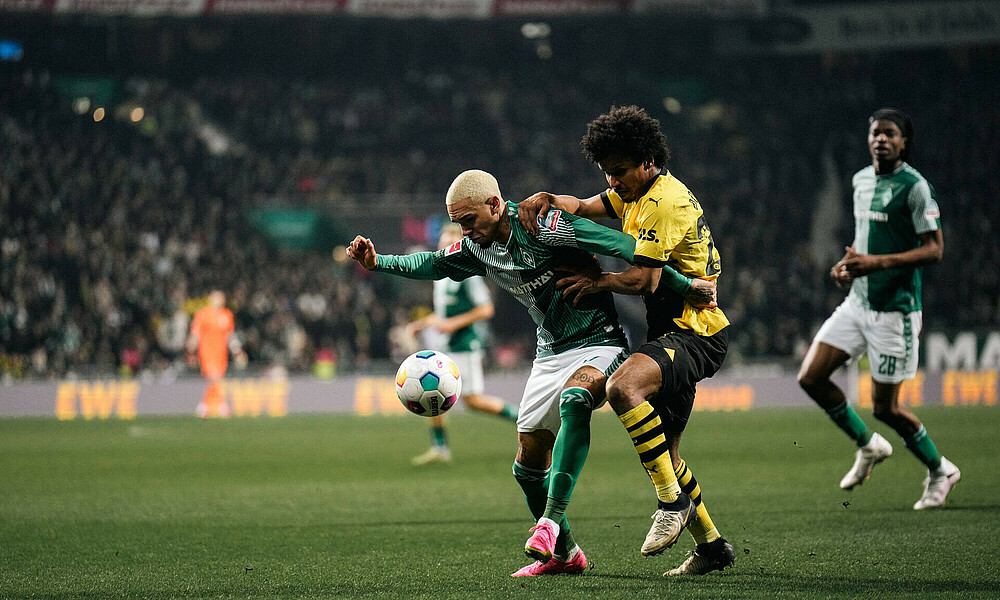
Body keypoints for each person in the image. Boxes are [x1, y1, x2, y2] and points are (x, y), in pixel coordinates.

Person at [349, 169, 686, 577]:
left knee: (575, 400)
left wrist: (686, 285)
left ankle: (548, 522)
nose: (464, 231)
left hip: (600, 343)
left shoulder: (543, 223)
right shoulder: (477, 248)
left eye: (468, 220)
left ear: (494, 204)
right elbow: (433, 263)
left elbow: (627, 246)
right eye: (458, 223)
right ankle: (565, 554)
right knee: (527, 466)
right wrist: (378, 261)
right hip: (550, 353)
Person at [518, 105, 734, 576]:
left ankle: (670, 505)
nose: (612, 183)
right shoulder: (635, 192)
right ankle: (713, 547)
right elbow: (586, 206)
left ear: (648, 162)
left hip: (694, 332)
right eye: (607, 173)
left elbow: (644, 280)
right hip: (672, 331)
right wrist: (548, 198)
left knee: (621, 388)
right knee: (668, 454)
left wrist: (598, 283)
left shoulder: (663, 201)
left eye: (618, 172)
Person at [797, 108, 959, 510]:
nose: (881, 139)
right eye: (875, 133)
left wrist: (877, 264)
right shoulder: (860, 180)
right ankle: (868, 445)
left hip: (895, 312)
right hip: (859, 301)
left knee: (885, 407)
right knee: (811, 377)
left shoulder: (916, 187)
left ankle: (941, 470)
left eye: (890, 134)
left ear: (904, 142)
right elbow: (866, 238)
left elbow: (935, 249)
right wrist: (848, 265)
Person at [406, 223, 518, 465]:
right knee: (431, 392)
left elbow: (486, 309)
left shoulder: (467, 275)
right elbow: (443, 316)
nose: (444, 245)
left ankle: (524, 418)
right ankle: (440, 447)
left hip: (465, 344)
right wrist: (423, 323)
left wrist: (454, 324)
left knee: (473, 401)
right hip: (448, 346)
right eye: (442, 240)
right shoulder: (441, 277)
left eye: (449, 241)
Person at [186, 290, 243, 418]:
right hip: (206, 352)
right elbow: (196, 334)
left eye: (221, 298)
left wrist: (237, 351)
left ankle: (205, 406)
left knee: (217, 379)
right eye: (217, 298)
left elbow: (230, 336)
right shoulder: (203, 314)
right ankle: (220, 406)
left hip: (221, 353)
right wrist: (191, 351)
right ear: (211, 299)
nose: (220, 301)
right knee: (214, 377)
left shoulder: (227, 315)